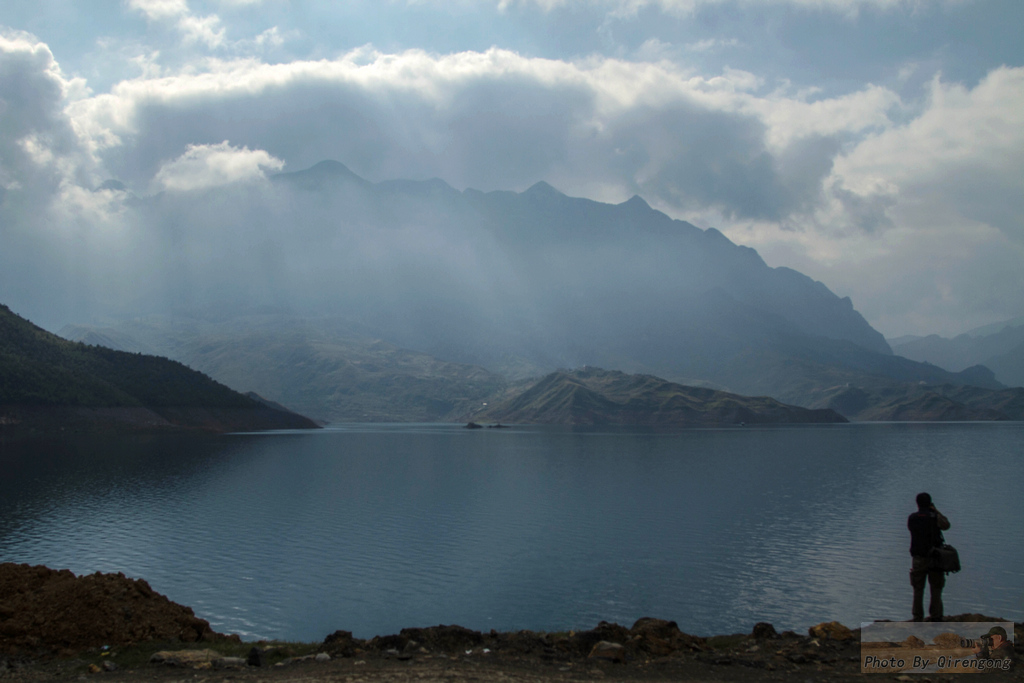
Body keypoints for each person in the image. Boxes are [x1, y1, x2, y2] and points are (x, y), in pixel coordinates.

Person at [907, 492, 950, 622]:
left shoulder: (912, 518)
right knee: (936, 589)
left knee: (918, 588)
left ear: (917, 504)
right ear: (930, 503)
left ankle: (917, 616)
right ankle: (936, 616)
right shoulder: (934, 517)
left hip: (918, 558)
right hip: (935, 557)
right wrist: (935, 511)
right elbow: (946, 525)